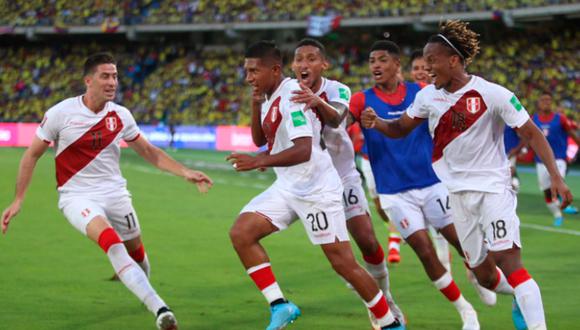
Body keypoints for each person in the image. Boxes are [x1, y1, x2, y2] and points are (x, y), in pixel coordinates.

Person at [361, 20, 572, 330]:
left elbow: (531, 133)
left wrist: (556, 175)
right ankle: (519, 296)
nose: (427, 68)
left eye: (432, 60)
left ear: (454, 60)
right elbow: (399, 129)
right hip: (457, 196)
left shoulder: (493, 93)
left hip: (493, 191)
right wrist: (376, 122)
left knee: (511, 264)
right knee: (485, 276)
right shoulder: (427, 98)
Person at [1, 53, 214, 330]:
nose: (112, 81)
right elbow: (31, 156)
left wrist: (184, 172)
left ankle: (140, 281)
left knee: (136, 250)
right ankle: (160, 309)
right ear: (88, 80)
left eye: (114, 76)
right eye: (105, 76)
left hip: (116, 194)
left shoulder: (121, 115)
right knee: (112, 243)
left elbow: (149, 151)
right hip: (76, 197)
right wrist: (18, 199)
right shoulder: (60, 114)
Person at [227, 40, 404, 330]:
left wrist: (258, 161)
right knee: (241, 233)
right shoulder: (271, 94)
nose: (248, 78)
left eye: (253, 71)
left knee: (344, 262)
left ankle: (389, 322)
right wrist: (255, 102)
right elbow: (261, 140)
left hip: (318, 188)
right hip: (289, 185)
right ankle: (281, 305)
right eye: (246, 71)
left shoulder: (294, 96)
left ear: (274, 70)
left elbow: (304, 149)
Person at [352, 40, 493, 330]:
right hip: (394, 191)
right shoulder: (361, 100)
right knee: (424, 251)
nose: (375, 65)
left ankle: (479, 275)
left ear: (396, 64)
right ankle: (466, 311)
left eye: (382, 60)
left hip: (432, 184)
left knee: (460, 240)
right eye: (371, 61)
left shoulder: (423, 93)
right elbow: (337, 121)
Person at [289, 38, 404, 328]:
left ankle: (386, 298)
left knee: (366, 238)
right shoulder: (285, 93)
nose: (304, 64)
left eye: (311, 58)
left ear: (323, 64)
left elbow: (339, 120)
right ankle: (375, 303)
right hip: (310, 185)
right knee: (340, 258)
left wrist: (317, 101)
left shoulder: (337, 89)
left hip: (342, 177)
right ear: (292, 65)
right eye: (299, 59)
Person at [409, 49, 452, 272]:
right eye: (416, 68)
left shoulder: (440, 95)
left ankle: (472, 270)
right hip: (414, 172)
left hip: (441, 168)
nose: (420, 73)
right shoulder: (411, 97)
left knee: (450, 224)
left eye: (425, 69)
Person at [532, 91, 580, 226]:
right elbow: (528, 137)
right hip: (540, 161)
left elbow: (572, 133)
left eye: (549, 100)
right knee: (547, 192)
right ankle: (558, 214)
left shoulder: (560, 118)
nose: (547, 102)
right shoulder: (533, 119)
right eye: (543, 100)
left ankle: (566, 204)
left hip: (558, 158)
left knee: (558, 181)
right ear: (539, 103)